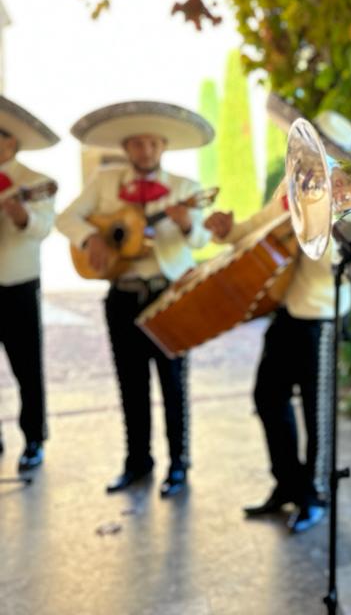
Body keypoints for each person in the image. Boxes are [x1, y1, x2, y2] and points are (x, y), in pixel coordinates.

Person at [204, 107, 351, 535]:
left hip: (322, 316)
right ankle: (287, 484)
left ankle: (314, 496)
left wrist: (323, 216)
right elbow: (256, 229)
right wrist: (227, 232)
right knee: (268, 397)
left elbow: (350, 261)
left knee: (318, 415)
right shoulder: (293, 183)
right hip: (288, 310)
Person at [56, 101, 213, 497]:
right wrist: (91, 238)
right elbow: (66, 218)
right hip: (121, 296)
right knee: (131, 384)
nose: (145, 151)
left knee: (173, 384)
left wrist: (186, 222)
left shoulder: (185, 188)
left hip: (168, 296)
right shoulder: (104, 182)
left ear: (163, 147)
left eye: (153, 144)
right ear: (127, 148)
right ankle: (137, 462)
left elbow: (202, 240)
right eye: (138, 144)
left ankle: (179, 464)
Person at [0, 96, 58, 471]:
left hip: (18, 283)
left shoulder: (34, 182)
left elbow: (44, 228)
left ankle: (34, 437)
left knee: (27, 366)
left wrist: (22, 215)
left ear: (11, 143)